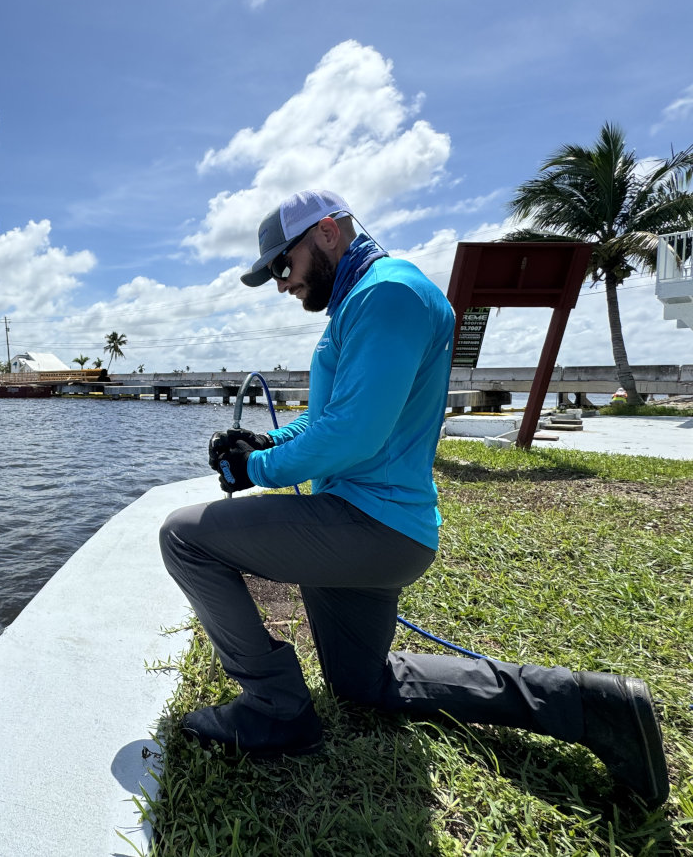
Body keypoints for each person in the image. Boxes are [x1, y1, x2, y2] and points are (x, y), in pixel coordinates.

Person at [159, 189, 669, 809]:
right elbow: (333, 417)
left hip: (365, 524)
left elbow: (353, 434)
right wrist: (264, 440)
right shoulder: (366, 298)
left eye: (281, 266)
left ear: (326, 232)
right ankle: (593, 704)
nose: (280, 284)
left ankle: (273, 706)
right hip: (372, 529)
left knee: (183, 536)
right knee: (361, 684)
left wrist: (257, 465)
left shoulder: (386, 293)